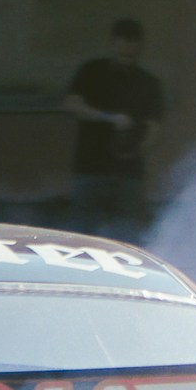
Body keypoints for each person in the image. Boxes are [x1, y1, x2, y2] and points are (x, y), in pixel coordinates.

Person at [63, 18, 165, 236]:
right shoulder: (92, 71)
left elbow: (153, 131)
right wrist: (109, 118)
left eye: (132, 44)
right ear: (113, 43)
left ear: (139, 47)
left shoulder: (148, 83)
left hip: (127, 174)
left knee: (127, 238)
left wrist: (133, 151)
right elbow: (72, 105)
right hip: (91, 169)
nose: (127, 50)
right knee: (83, 236)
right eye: (123, 43)